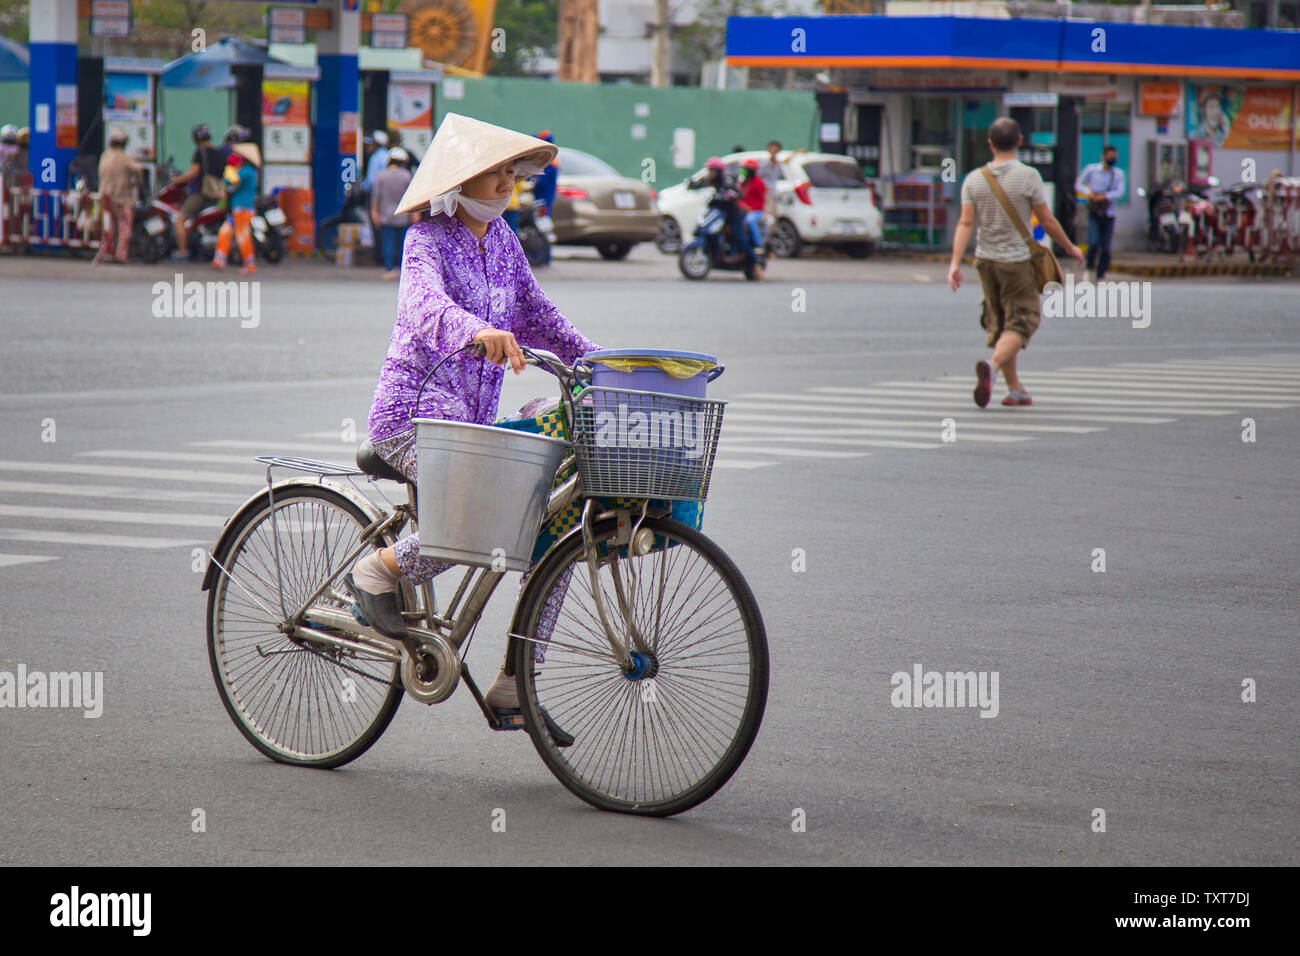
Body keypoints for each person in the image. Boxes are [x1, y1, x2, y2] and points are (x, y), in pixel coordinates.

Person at [344, 112, 602, 720]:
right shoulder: (426, 239)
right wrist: (478, 329)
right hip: (414, 413)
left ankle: (521, 677)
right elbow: (422, 307)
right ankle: (377, 571)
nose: (506, 182)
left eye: (511, 172)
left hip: (471, 420)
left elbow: (541, 315)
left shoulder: (507, 241)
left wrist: (601, 362)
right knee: (476, 521)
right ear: (459, 180)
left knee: (551, 520)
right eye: (493, 173)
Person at [948, 117, 1083, 408]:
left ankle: (1015, 389)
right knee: (1023, 320)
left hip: (985, 261)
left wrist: (954, 264)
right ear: (1020, 141)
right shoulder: (1028, 176)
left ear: (990, 144)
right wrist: (1070, 247)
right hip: (1016, 263)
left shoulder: (973, 179)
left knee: (1002, 324)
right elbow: (1046, 220)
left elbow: (965, 223)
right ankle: (992, 365)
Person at [168, 124, 227, 261]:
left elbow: (193, 172)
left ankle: (182, 253)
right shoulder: (219, 153)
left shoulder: (200, 152)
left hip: (201, 193)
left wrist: (177, 180)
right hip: (216, 194)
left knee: (179, 220)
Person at [1075, 145, 1126, 281]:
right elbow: (1079, 184)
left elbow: (1120, 192)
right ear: (1103, 156)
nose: (1112, 159)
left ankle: (1101, 273)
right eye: (1110, 156)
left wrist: (1104, 196)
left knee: (1106, 246)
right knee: (1093, 241)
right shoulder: (1092, 170)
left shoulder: (1118, 173)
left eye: (1114, 156)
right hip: (1094, 211)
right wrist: (1089, 194)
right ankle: (1090, 267)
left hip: (1109, 212)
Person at [92, 128, 141, 265]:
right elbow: (137, 169)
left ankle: (107, 252)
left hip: (105, 196)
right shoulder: (123, 157)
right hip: (121, 197)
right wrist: (136, 182)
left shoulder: (105, 155)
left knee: (108, 227)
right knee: (124, 226)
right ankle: (121, 254)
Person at [213, 142, 259, 273]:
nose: (235, 157)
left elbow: (231, 181)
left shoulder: (247, 171)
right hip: (236, 209)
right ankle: (219, 260)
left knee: (242, 236)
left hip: (242, 208)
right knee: (225, 231)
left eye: (238, 156)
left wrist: (231, 170)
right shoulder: (245, 170)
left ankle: (250, 265)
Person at [370, 146, 413, 280]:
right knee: (402, 244)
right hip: (403, 215)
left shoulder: (381, 175)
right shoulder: (407, 176)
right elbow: (411, 196)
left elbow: (376, 196)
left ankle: (389, 269)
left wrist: (374, 212)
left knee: (387, 242)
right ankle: (403, 269)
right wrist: (414, 214)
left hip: (385, 216)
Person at [532, 130, 558, 265]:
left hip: (543, 198)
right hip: (545, 197)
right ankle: (546, 257)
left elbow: (540, 179)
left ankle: (545, 257)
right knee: (544, 226)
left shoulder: (549, 162)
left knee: (543, 225)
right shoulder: (551, 160)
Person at [737, 158, 767, 275]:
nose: (743, 171)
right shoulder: (743, 182)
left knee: (749, 221)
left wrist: (750, 209)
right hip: (743, 210)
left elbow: (761, 200)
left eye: (746, 169)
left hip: (755, 212)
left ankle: (758, 243)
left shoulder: (758, 182)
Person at [758, 139, 782, 221]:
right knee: (768, 213)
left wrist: (795, 153)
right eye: (772, 149)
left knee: (775, 214)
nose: (773, 152)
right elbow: (758, 176)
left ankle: (773, 231)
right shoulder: (764, 163)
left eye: (776, 150)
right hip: (767, 192)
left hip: (775, 192)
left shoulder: (778, 163)